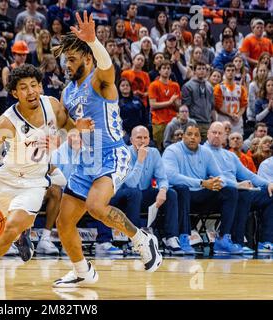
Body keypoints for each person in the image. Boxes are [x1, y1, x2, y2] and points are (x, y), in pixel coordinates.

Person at [51, 12, 162, 289]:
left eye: (73, 59)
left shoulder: (100, 80)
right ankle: (82, 271)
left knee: (95, 206)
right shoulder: (67, 92)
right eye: (66, 59)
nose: (68, 64)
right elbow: (65, 129)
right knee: (64, 224)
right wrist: (75, 129)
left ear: (87, 59)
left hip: (112, 153)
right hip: (85, 160)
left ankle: (140, 238)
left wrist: (94, 41)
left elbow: (109, 68)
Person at [0, 64, 70, 290]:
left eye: (34, 85)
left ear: (40, 86)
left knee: (10, 227)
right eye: (24, 88)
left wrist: (69, 135)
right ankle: (21, 235)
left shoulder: (52, 105)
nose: (31, 91)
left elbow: (68, 127)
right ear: (15, 93)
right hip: (6, 180)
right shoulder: (7, 121)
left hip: (34, 183)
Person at [162, 124, 242, 254]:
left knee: (230, 191)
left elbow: (222, 176)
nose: (192, 138)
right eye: (189, 134)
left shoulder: (206, 152)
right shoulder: (172, 150)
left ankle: (223, 239)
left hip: (201, 196)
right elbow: (171, 177)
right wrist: (202, 183)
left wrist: (217, 182)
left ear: (200, 139)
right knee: (182, 188)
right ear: (183, 137)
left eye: (196, 135)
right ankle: (184, 237)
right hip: (180, 198)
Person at [110, 126, 188, 254]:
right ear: (131, 139)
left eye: (145, 138)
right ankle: (134, 239)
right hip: (125, 196)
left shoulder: (154, 152)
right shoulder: (124, 154)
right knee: (135, 193)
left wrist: (162, 190)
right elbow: (131, 183)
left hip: (143, 194)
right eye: (139, 137)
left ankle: (171, 238)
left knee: (170, 193)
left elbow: (162, 178)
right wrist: (140, 160)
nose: (142, 141)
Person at [203, 122, 273, 253]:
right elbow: (211, 177)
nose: (217, 136)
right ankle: (236, 241)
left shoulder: (230, 156)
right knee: (241, 194)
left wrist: (267, 183)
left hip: (236, 192)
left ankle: (266, 242)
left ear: (225, 137)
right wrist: (236, 185)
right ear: (208, 134)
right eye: (214, 132)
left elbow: (249, 175)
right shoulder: (202, 152)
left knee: (269, 195)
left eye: (220, 133)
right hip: (215, 194)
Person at [148, 61, 182, 150]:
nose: (166, 70)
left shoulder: (175, 85)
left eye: (168, 68)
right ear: (159, 71)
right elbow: (153, 105)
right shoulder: (153, 85)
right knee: (159, 148)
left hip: (173, 121)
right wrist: (170, 102)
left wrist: (175, 103)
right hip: (159, 121)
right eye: (163, 68)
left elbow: (178, 107)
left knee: (175, 147)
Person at [181, 61, 215, 140]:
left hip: (208, 122)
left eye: (204, 69)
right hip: (194, 122)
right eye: (199, 69)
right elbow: (186, 106)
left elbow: (212, 106)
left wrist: (214, 121)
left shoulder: (209, 86)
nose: (202, 70)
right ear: (194, 71)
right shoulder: (187, 86)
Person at [214, 63, 248, 135]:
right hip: (223, 118)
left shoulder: (241, 88)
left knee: (237, 142)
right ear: (224, 72)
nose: (230, 72)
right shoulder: (218, 87)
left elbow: (243, 105)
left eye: (232, 70)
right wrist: (230, 114)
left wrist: (238, 115)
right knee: (223, 140)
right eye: (228, 70)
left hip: (237, 120)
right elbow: (218, 106)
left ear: (235, 72)